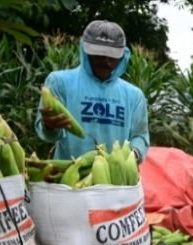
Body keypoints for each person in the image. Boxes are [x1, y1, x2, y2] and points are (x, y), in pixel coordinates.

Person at [35, 20, 149, 163]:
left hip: (116, 181)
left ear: (123, 55)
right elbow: (47, 135)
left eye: (112, 55)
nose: (106, 60)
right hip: (71, 179)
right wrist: (49, 127)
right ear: (84, 50)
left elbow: (140, 136)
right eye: (99, 54)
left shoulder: (134, 95)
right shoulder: (60, 82)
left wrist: (133, 156)